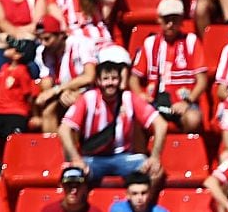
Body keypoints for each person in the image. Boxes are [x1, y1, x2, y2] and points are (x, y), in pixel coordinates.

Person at [59, 45, 170, 187]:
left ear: (119, 81)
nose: (110, 83)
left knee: (155, 171)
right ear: (98, 81)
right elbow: (64, 129)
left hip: (124, 158)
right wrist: (76, 159)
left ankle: (143, 208)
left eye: (114, 78)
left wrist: (155, 157)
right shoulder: (87, 98)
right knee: (73, 174)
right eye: (106, 78)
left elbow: (161, 124)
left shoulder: (129, 98)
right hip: (93, 158)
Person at [130, 0, 209, 134]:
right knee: (132, 117)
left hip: (182, 103)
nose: (171, 24)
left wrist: (187, 102)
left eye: (175, 19)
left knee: (193, 119)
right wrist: (140, 95)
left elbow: (202, 81)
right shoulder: (150, 43)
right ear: (159, 19)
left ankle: (182, 153)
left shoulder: (191, 41)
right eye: (167, 19)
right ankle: (142, 155)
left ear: (181, 20)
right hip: (154, 102)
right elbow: (133, 78)